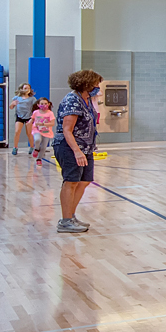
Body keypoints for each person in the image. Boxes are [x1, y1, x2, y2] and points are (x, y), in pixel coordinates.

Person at [53, 72, 103, 233]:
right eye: (95, 84)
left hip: (86, 147)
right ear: (86, 83)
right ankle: (65, 220)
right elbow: (67, 130)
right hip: (70, 146)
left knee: (84, 180)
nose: (98, 87)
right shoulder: (72, 100)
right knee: (71, 181)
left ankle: (71, 216)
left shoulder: (86, 100)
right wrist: (77, 151)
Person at [10, 83, 37, 155]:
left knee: (29, 133)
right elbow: (11, 107)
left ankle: (32, 146)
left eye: (28, 88)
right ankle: (15, 147)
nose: (26, 90)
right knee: (17, 131)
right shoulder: (17, 98)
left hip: (28, 117)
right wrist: (13, 104)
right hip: (19, 116)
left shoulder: (32, 99)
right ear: (21, 89)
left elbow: (35, 108)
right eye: (25, 88)